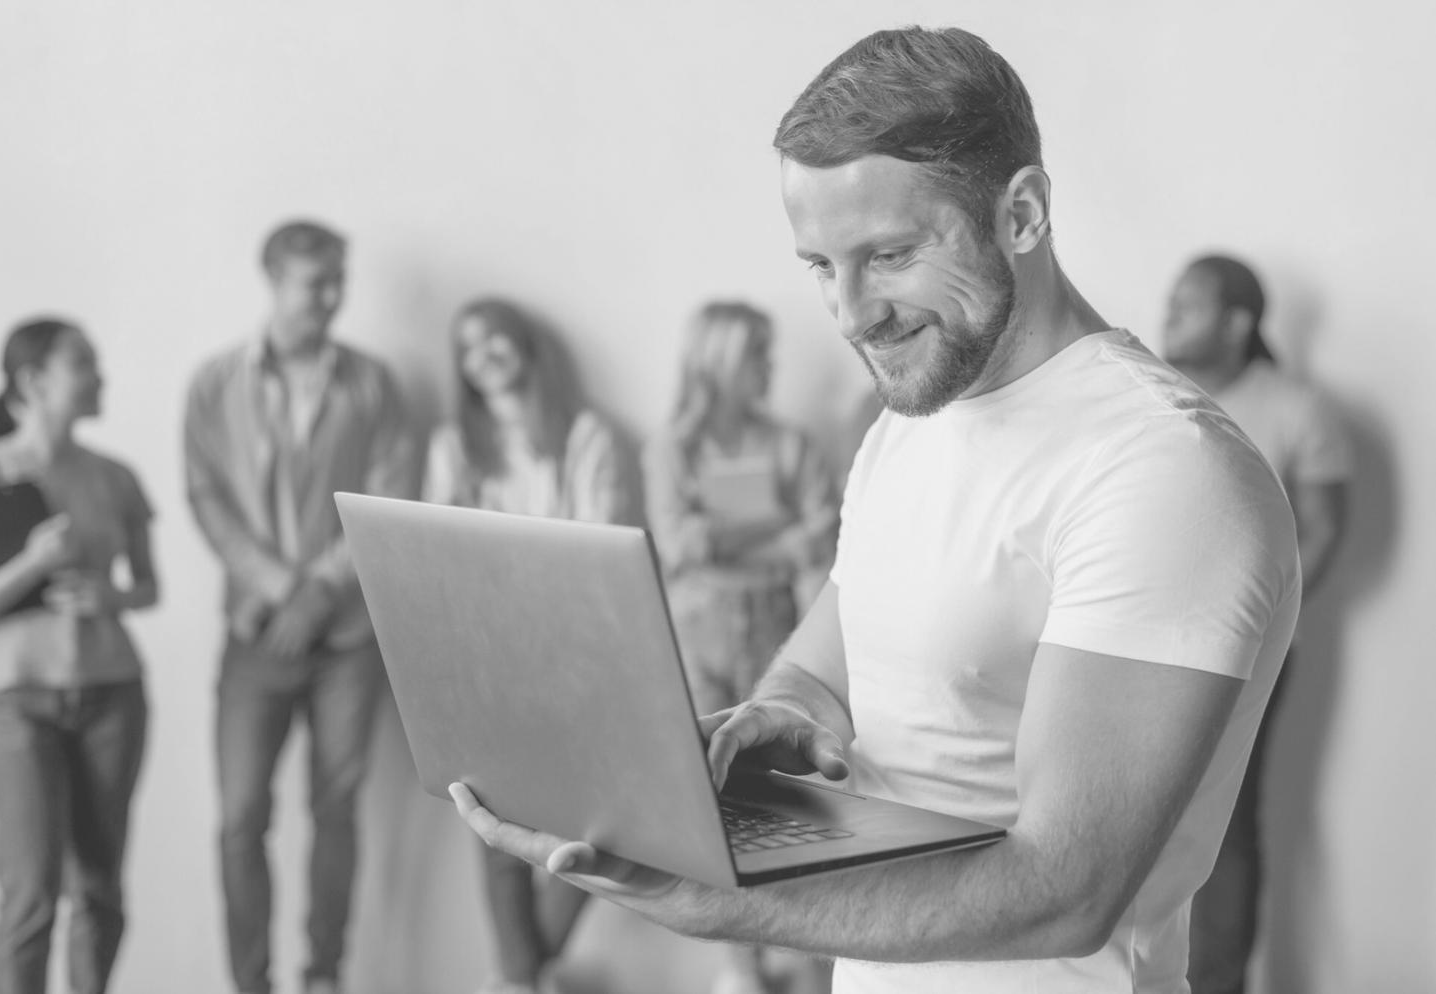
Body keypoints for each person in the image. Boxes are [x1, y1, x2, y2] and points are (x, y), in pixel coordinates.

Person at [448, 26, 1302, 994]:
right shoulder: (914, 418)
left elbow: (1068, 889)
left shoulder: (1161, 468)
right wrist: (781, 713)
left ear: (1020, 212)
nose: (851, 314)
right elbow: (825, 665)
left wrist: (719, 903)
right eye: (820, 264)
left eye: (889, 254)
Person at [184, 219, 418, 994]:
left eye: (337, 280)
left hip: (346, 637)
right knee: (239, 819)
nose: (330, 296)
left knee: (335, 808)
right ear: (273, 279)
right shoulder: (216, 383)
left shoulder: (372, 385)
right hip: (254, 635)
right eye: (315, 281)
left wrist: (319, 590)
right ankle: (249, 981)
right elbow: (205, 496)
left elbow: (387, 493)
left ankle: (323, 977)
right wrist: (282, 589)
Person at [422, 298, 632, 994]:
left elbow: (596, 548)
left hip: (574, 658)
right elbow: (437, 550)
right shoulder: (453, 445)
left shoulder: (585, 434)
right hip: (488, 661)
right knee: (491, 815)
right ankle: (525, 978)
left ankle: (521, 974)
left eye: (493, 340)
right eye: (466, 346)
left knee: (598, 822)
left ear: (524, 345)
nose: (482, 355)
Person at [0, 318, 158, 994]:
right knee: (30, 892)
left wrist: (109, 597)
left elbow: (149, 587)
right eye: (85, 365)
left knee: (99, 890)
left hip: (112, 693)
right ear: (34, 381)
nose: (101, 376)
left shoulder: (116, 477)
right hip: (19, 701)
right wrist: (31, 563)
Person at [1163, 254, 1350, 994]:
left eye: (1189, 304)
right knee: (1131, 825)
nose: (1169, 314)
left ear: (1237, 322)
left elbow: (1325, 532)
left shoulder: (1297, 409)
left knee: (1223, 829)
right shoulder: (1153, 396)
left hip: (1246, 658)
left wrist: (1256, 630)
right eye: (1169, 301)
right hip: (1136, 651)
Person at [642, 300, 838, 994]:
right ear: (720, 363)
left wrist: (727, 533)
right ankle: (743, 965)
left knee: (784, 796)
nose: (769, 369)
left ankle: (809, 957)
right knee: (710, 798)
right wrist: (774, 531)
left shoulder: (789, 443)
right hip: (694, 636)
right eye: (757, 355)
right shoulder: (673, 448)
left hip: (774, 627)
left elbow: (818, 535)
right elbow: (679, 544)